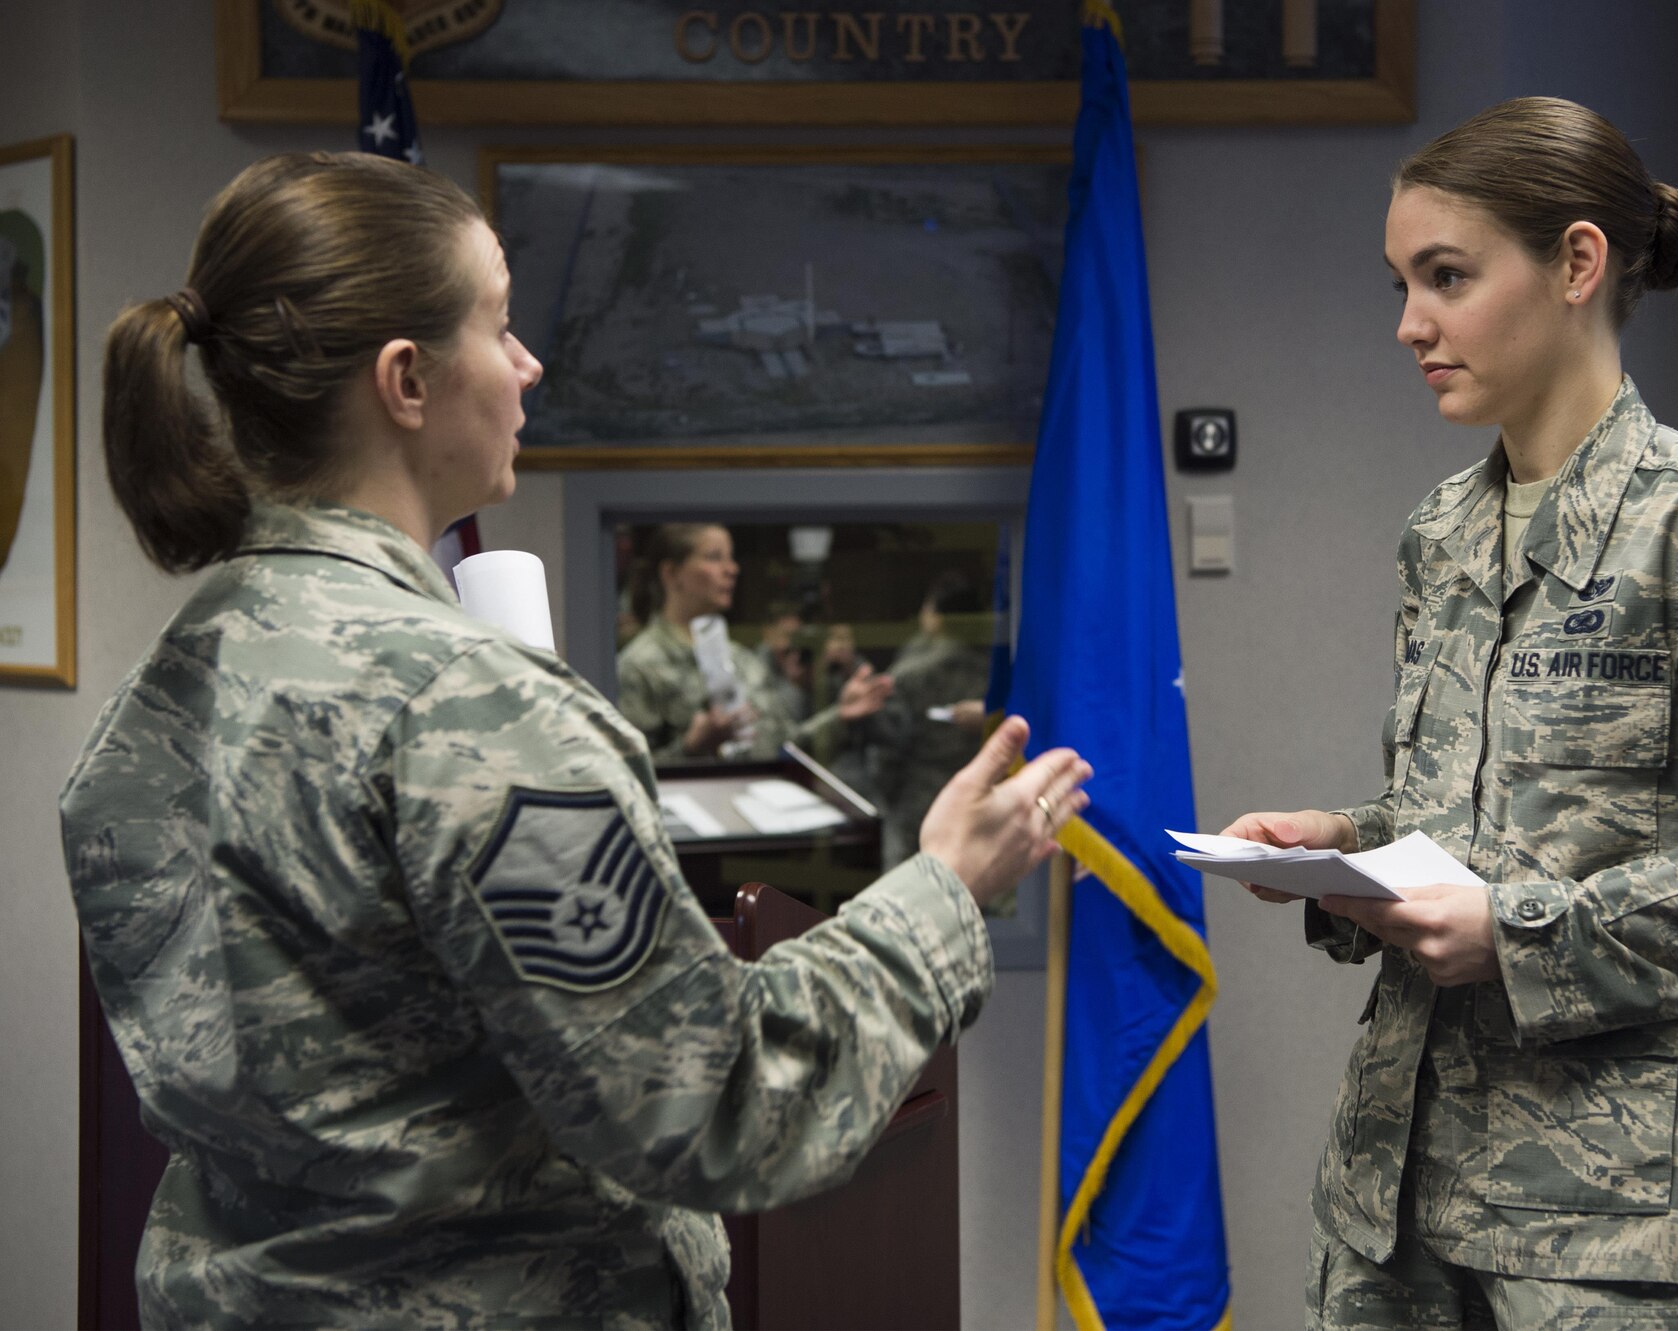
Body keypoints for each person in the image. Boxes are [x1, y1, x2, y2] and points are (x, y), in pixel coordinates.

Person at [60, 151, 1091, 1330]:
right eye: (498, 327)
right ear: (405, 378)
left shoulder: (150, 705)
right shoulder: (468, 712)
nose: (528, 364)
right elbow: (715, 1102)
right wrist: (946, 888)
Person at [1221, 98, 1678, 1328]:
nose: (1410, 323)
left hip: (1630, 1234)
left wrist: (1523, 932)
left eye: (1446, 277)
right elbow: (1477, 824)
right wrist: (1345, 845)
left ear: (1576, 263)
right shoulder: (1440, 530)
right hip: (1397, 1209)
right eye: (1399, 283)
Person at [615, 523, 894, 764]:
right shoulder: (640, 665)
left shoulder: (740, 659)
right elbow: (630, 777)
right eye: (714, 558)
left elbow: (783, 746)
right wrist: (691, 748)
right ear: (671, 573)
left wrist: (840, 716)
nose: (732, 569)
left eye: (731, 558)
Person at [871, 569, 995, 867]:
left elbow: (886, 746)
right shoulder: (991, 672)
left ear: (936, 616)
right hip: (972, 800)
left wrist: (884, 796)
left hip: (914, 804)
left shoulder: (910, 673)